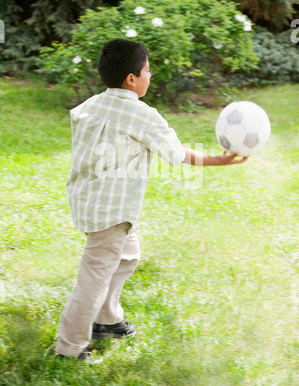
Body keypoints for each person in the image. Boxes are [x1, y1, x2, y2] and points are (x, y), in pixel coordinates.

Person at [55, 38, 247, 361]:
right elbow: (177, 154)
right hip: (111, 213)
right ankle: (69, 348)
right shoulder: (142, 115)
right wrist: (218, 159)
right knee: (94, 278)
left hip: (89, 201)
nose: (150, 75)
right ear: (132, 79)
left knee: (128, 256)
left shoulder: (89, 106)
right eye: (147, 70)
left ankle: (107, 318)